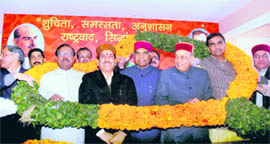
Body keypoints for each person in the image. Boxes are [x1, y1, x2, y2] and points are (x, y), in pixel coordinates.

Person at [79, 43, 137, 144]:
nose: (107, 59)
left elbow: (132, 107)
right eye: (103, 56)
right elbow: (84, 107)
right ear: (97, 62)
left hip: (121, 135)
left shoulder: (127, 81)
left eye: (110, 56)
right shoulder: (88, 79)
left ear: (115, 62)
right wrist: (100, 133)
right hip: (96, 135)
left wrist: (123, 132)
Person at [155, 42, 212, 143]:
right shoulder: (166, 74)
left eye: (183, 57)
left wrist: (202, 104)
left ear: (191, 58)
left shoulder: (202, 74)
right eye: (176, 57)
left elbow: (209, 98)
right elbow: (159, 100)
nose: (178, 61)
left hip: (199, 132)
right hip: (176, 132)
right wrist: (183, 106)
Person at [38, 44, 85, 144]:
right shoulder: (46, 77)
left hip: (76, 128)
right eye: (62, 53)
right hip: (52, 128)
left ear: (74, 58)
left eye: (69, 54)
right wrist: (49, 96)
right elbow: (39, 96)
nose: (65, 56)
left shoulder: (83, 77)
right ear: (56, 58)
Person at [121, 41, 161, 143]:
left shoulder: (161, 74)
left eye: (145, 53)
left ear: (151, 55)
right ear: (134, 56)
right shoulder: (124, 74)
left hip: (154, 129)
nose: (141, 56)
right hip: (129, 130)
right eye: (137, 53)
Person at [0, 45, 39, 143]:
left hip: (27, 123)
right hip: (3, 124)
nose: (1, 57)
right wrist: (15, 76)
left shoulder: (31, 73)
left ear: (16, 56)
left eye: (4, 54)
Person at [199, 32, 236, 99]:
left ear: (225, 44)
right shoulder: (202, 64)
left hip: (239, 103)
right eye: (213, 44)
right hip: (218, 105)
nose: (217, 47)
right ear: (208, 49)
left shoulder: (235, 62)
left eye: (220, 43)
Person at [250, 44, 270, 108]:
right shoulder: (247, 72)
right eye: (257, 56)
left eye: (265, 56)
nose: (261, 59)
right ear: (253, 59)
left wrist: (259, 78)